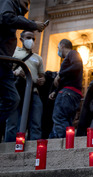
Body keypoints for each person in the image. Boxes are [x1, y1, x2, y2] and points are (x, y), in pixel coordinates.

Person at [0, 0, 45, 131]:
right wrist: (33, 24)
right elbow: (7, 17)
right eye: (25, 2)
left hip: (5, 63)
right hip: (3, 61)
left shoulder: (37, 57)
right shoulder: (8, 2)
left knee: (12, 99)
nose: (27, 7)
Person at [5, 30, 45, 142]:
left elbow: (42, 75)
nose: (31, 40)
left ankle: (34, 147)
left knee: (36, 122)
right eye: (28, 37)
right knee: (12, 122)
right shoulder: (14, 52)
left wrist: (42, 80)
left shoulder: (38, 58)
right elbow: (5, 71)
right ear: (22, 39)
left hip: (33, 91)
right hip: (16, 90)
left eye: (33, 38)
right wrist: (16, 73)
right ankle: (10, 147)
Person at [49, 39, 83, 138]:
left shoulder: (73, 53)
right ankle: (63, 144)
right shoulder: (69, 58)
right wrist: (55, 92)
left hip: (67, 94)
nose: (58, 50)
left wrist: (60, 74)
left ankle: (62, 145)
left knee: (59, 119)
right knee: (65, 122)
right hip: (69, 93)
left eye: (58, 47)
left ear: (62, 46)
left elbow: (77, 66)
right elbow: (67, 78)